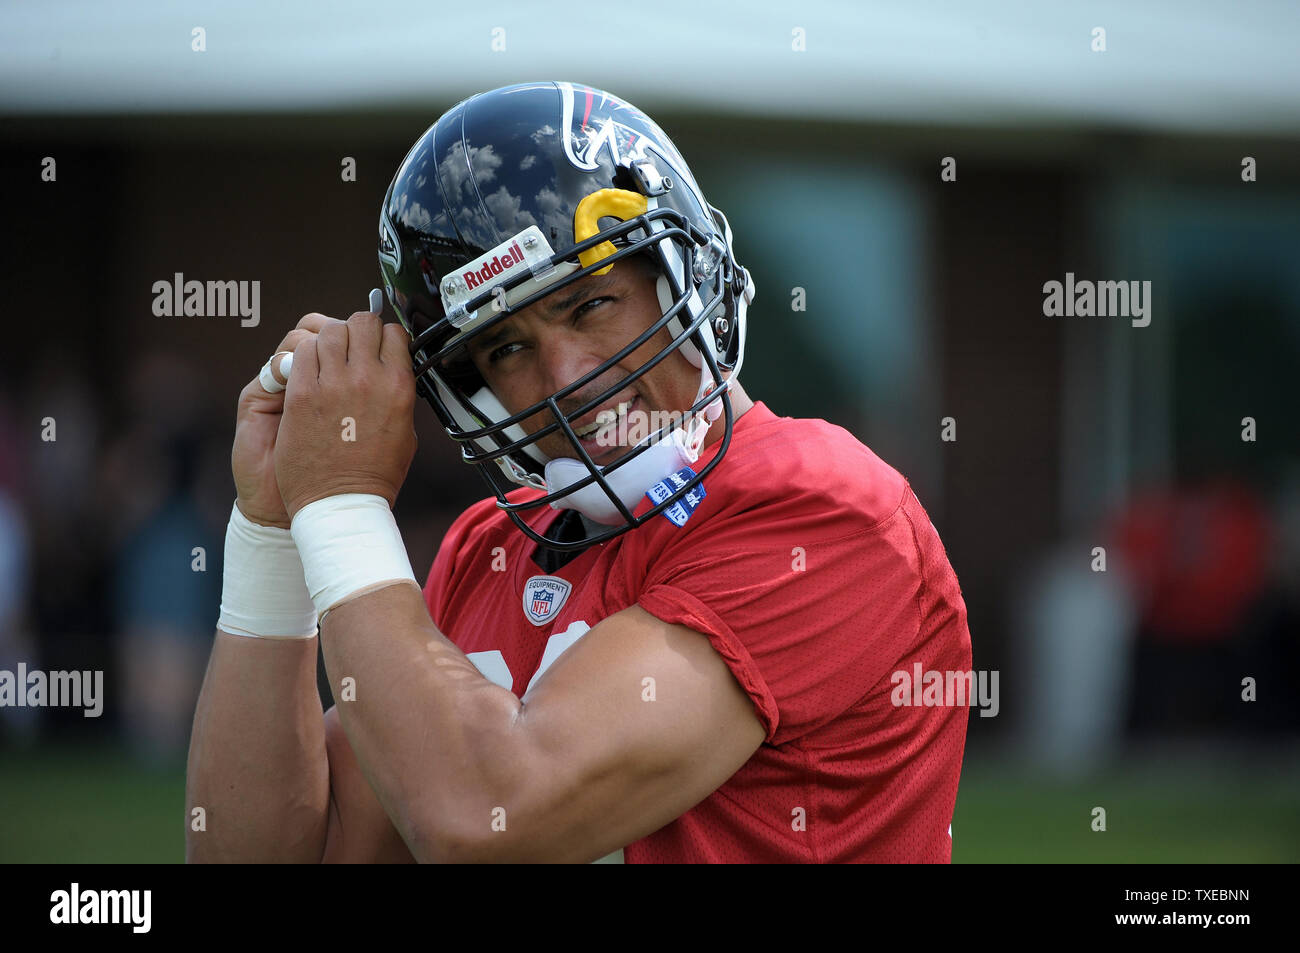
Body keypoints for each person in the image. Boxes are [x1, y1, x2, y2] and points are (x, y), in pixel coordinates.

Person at [187, 82, 972, 863]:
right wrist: (275, 530)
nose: (565, 377)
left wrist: (345, 505)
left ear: (682, 274)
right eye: (507, 348)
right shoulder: (487, 548)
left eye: (590, 303)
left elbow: (489, 813)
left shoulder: (823, 504)